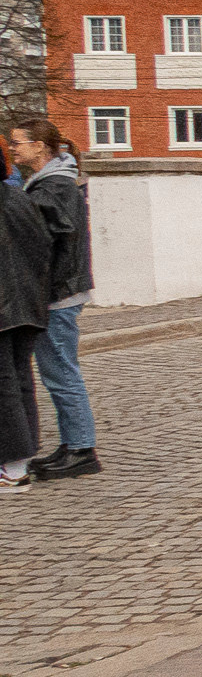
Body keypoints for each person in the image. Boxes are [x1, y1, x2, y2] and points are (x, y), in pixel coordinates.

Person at [13, 121, 95, 480]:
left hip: (56, 294)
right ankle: (72, 444)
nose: (14, 149)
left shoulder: (55, 186)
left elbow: (44, 241)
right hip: (58, 290)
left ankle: (81, 450)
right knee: (57, 371)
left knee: (61, 372)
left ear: (40, 147)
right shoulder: (51, 183)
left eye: (18, 143)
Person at [0, 168, 51, 491]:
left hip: (6, 304)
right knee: (19, 380)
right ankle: (22, 456)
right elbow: (43, 247)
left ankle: (15, 468)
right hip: (28, 301)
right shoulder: (21, 199)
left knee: (5, 384)